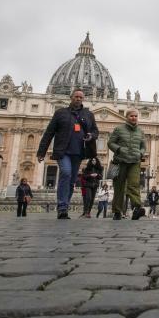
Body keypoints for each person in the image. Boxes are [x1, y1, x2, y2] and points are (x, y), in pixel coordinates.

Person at [36, 89, 99, 220]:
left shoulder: (88, 114)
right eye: (76, 96)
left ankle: (65, 206)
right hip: (63, 151)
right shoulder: (60, 113)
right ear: (71, 97)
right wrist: (41, 152)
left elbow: (95, 131)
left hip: (79, 152)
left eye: (81, 97)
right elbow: (49, 133)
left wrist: (91, 135)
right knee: (66, 172)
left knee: (71, 181)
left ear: (83, 99)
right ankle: (62, 207)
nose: (78, 99)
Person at [107, 108, 147, 220]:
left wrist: (141, 153)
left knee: (134, 184)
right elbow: (110, 143)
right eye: (131, 116)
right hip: (120, 161)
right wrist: (119, 149)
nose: (134, 118)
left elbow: (143, 146)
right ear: (127, 117)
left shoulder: (140, 131)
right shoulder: (119, 129)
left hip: (135, 161)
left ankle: (137, 208)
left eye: (135, 116)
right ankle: (117, 211)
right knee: (119, 187)